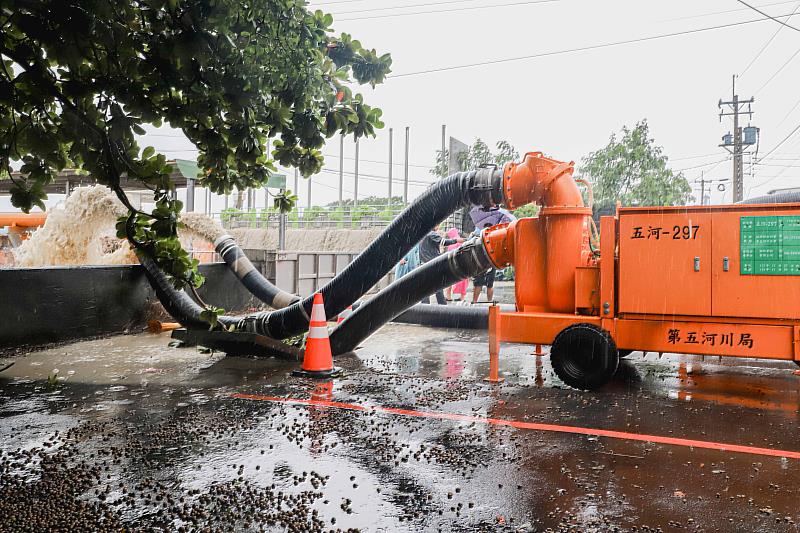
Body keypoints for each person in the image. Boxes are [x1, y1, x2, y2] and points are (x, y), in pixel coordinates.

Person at [419, 225, 463, 304]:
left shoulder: (423, 234)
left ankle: (426, 306)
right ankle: (441, 304)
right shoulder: (432, 234)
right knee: (438, 285)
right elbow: (444, 242)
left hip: (424, 263)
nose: (438, 227)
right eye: (437, 225)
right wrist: (456, 240)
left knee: (426, 287)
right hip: (432, 263)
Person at [472, 222, 496, 304]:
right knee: (481, 283)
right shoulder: (480, 238)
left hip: (484, 264)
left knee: (487, 284)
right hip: (484, 264)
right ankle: (477, 301)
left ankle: (479, 301)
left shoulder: (481, 239)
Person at [443, 227, 468, 303]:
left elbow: (449, 254)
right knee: (464, 280)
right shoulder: (461, 241)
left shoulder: (451, 243)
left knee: (449, 280)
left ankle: (448, 296)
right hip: (463, 264)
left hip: (453, 264)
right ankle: (462, 297)